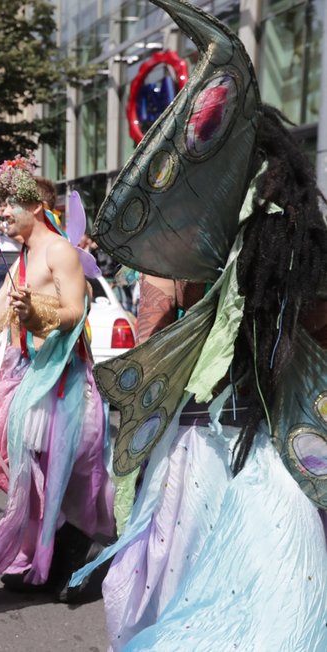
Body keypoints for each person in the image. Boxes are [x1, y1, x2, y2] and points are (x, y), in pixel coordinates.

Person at [66, 0, 327, 648]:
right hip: (281, 452)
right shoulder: (301, 246)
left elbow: (153, 331)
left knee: (169, 588)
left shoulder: (189, 245)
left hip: (200, 446)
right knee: (281, 599)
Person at [0, 156, 114, 595]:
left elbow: (74, 309)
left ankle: (64, 555)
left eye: (9, 203)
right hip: (31, 380)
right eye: (1, 203)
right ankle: (47, 552)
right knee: (22, 464)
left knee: (66, 474)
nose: (0, 212)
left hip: (63, 384)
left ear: (34, 206)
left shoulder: (59, 251)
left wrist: (34, 312)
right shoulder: (23, 259)